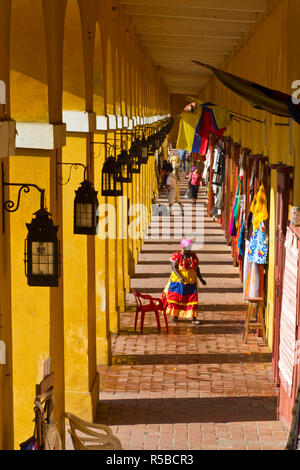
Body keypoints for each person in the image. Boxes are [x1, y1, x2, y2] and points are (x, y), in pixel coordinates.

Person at [162, 238, 207, 325]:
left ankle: (193, 318)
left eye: (190, 248)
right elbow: (174, 267)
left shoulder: (193, 256)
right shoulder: (177, 255)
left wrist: (201, 279)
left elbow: (197, 268)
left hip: (191, 281)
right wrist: (180, 277)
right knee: (177, 298)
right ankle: (175, 315)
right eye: (187, 249)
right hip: (178, 281)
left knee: (192, 298)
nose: (189, 250)